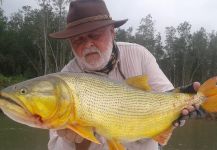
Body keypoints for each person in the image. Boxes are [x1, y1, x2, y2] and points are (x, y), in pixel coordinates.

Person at [48, 0, 201, 149]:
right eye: (78, 40)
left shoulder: (139, 55)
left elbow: (168, 98)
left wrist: (181, 111)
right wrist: (77, 140)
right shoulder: (63, 83)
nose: (88, 44)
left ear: (112, 32)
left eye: (95, 35)